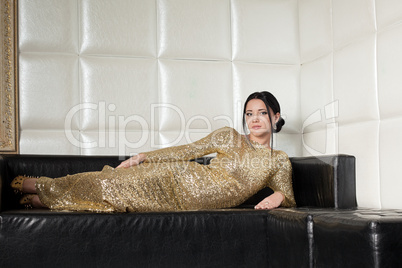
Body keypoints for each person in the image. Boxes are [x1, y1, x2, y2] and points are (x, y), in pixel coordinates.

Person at [11, 91, 296, 212]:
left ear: (275, 116)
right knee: (110, 181)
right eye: (249, 113)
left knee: (115, 198)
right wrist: (143, 156)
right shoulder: (228, 135)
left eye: (261, 113)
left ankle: (35, 200)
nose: (254, 118)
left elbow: (288, 197)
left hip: (189, 201)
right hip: (178, 177)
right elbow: (186, 150)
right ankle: (29, 184)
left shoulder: (278, 160)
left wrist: (277, 196)